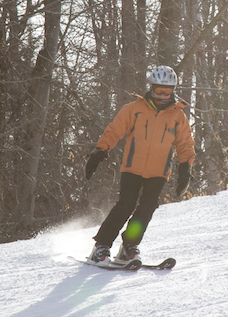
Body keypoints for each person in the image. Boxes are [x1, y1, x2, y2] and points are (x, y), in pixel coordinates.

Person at [84, 65, 196, 264]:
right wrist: (100, 151)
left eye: (167, 92)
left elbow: (185, 145)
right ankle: (101, 246)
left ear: (173, 91)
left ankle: (129, 246)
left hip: (159, 172)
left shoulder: (178, 116)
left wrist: (185, 168)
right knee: (125, 205)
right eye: (159, 91)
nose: (162, 96)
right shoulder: (134, 109)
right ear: (151, 88)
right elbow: (114, 130)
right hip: (132, 168)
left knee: (147, 208)